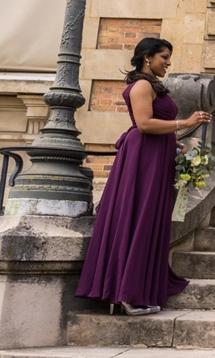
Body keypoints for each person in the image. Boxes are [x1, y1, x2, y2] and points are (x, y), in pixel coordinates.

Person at [76, 38, 207, 315]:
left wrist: (176, 144)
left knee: (149, 219)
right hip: (143, 157)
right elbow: (145, 123)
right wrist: (186, 123)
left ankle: (136, 290)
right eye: (164, 57)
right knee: (138, 217)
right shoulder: (142, 85)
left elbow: (155, 125)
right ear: (147, 57)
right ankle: (126, 293)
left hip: (157, 155)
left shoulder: (153, 85)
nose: (168, 62)